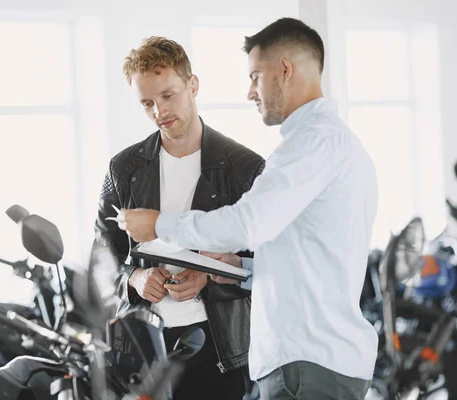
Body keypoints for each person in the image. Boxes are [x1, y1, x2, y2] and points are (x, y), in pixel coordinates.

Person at [119, 18, 378, 400]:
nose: (249, 92)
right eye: (147, 103)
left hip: (305, 367)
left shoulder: (311, 144)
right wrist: (239, 270)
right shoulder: (328, 142)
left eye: (255, 77)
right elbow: (308, 255)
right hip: (310, 363)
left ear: (285, 70)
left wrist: (158, 225)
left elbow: (248, 225)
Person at [92, 36, 265, 399]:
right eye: (147, 103)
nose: (159, 111)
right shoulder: (123, 169)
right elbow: (101, 263)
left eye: (167, 96)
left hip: (220, 350)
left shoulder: (244, 168)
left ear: (193, 84)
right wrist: (135, 278)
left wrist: (209, 277)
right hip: (143, 349)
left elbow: (269, 261)